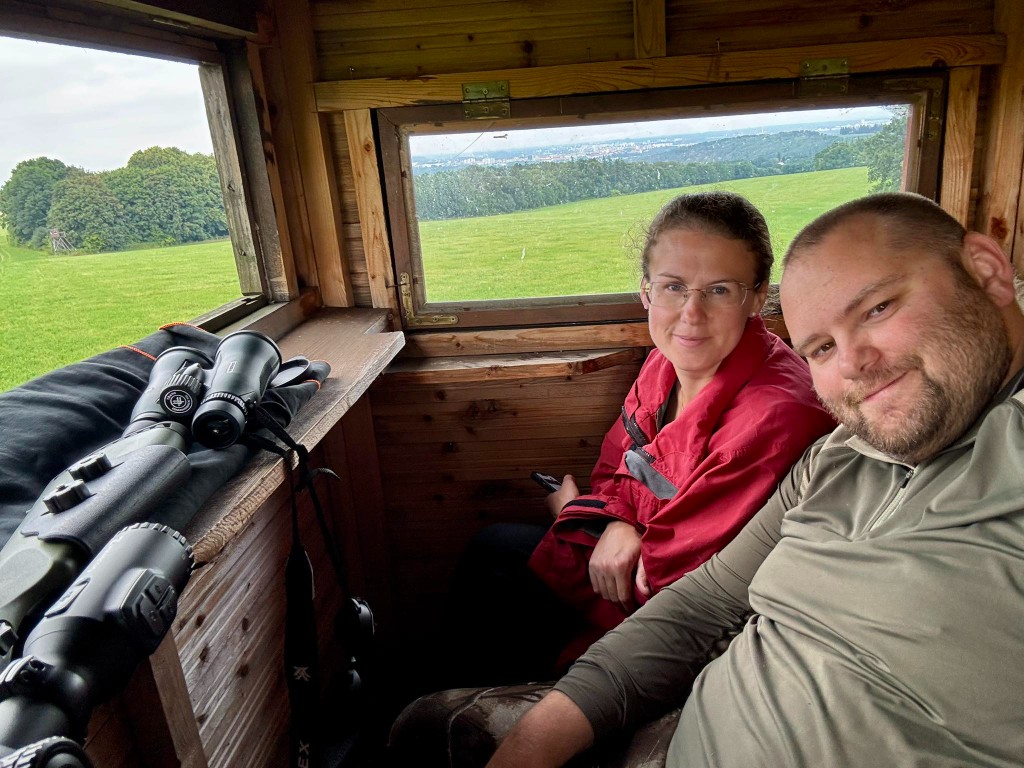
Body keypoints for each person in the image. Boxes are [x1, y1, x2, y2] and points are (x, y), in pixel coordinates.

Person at [476, 191, 1024, 767]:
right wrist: (532, 742)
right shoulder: (838, 456)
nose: (854, 363)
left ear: (985, 270)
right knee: (417, 727)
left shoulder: (780, 417)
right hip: (679, 716)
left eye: (879, 308)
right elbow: (700, 600)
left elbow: (664, 575)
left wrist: (578, 516)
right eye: (822, 347)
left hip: (641, 620)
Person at [445, 191, 834, 685]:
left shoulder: (775, 416)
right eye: (673, 287)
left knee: (499, 571)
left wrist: (573, 515)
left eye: (719, 290)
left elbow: (677, 577)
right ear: (646, 291)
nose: (690, 315)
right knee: (493, 552)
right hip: (625, 562)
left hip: (691, 613)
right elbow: (615, 466)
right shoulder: (666, 361)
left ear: (757, 298)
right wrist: (615, 522)